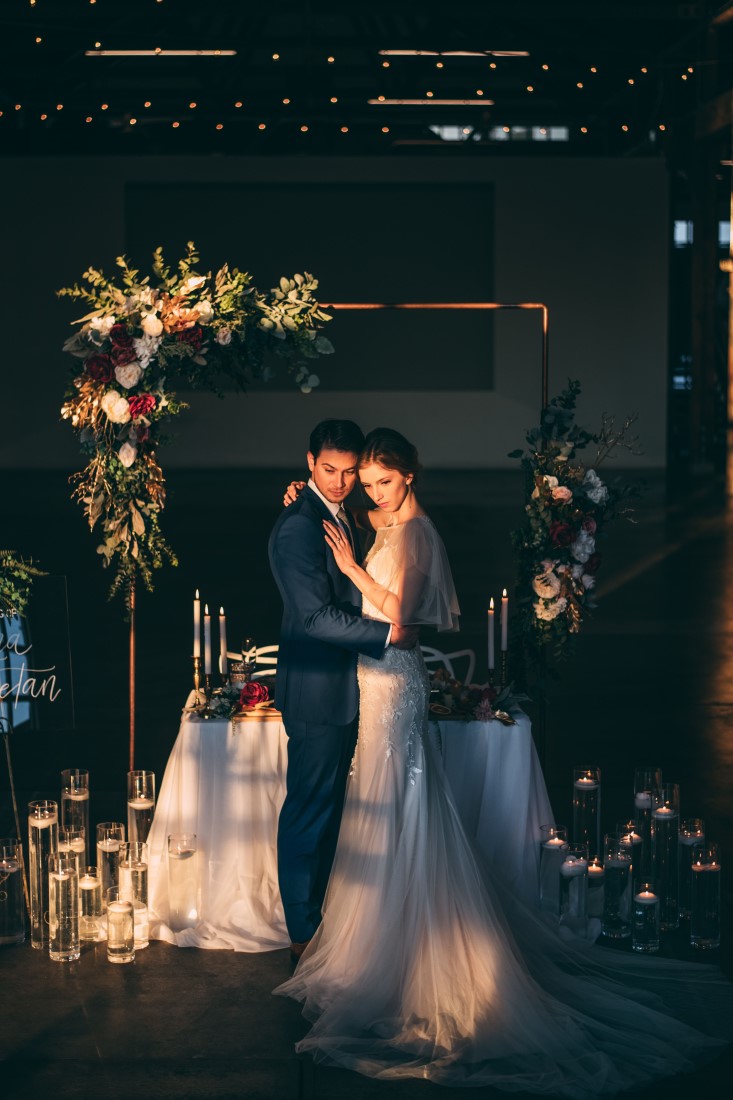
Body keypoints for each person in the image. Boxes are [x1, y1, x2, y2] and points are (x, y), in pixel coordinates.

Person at [275, 427, 733, 1095]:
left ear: (409, 476)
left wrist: (348, 570)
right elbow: (332, 504)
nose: (368, 491)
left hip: (392, 679)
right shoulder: (373, 512)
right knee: (381, 807)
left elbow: (402, 625)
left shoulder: (416, 533)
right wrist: (304, 495)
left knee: (399, 804)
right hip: (369, 685)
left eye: (381, 480)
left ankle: (400, 947)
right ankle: (373, 935)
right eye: (359, 479)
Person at [268, 419, 417, 964]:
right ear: (309, 463)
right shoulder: (298, 528)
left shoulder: (338, 515)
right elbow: (313, 617)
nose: (339, 482)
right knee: (309, 810)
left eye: (349, 472)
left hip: (347, 689)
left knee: (331, 811)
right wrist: (387, 633)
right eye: (328, 470)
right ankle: (301, 934)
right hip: (316, 690)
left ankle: (324, 920)